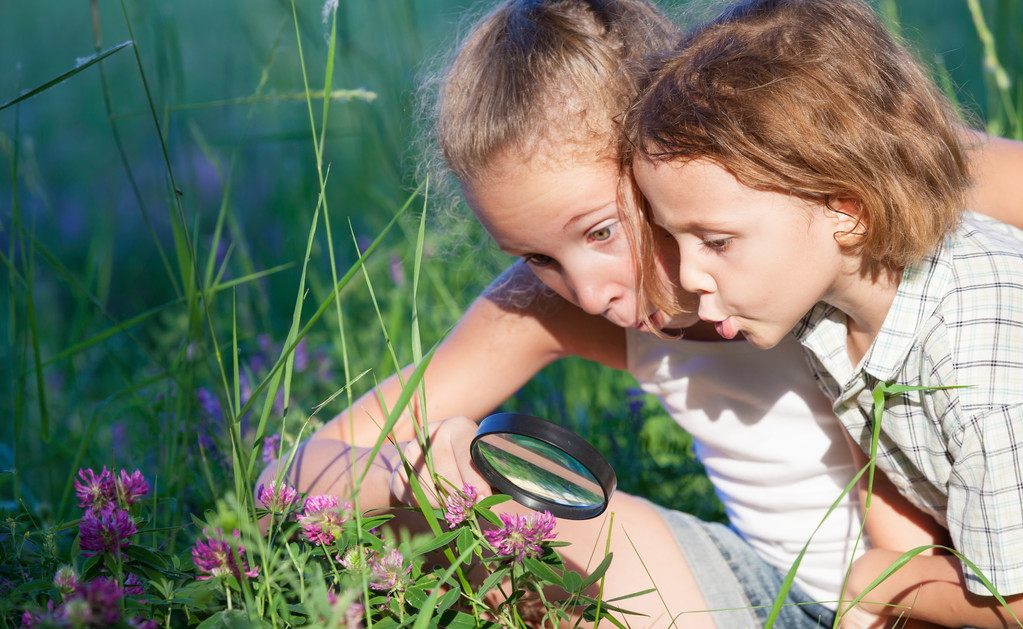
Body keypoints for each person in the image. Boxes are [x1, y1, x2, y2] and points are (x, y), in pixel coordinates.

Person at [259, 0, 1023, 626]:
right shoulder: (553, 309)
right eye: (536, 256)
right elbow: (288, 483)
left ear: (664, 150)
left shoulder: (819, 182)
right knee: (491, 517)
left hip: (960, 588)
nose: (588, 293)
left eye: (601, 230)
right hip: (768, 591)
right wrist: (416, 469)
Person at [624, 0, 1023, 626]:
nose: (689, 274)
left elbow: (1017, 604)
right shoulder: (833, 308)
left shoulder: (978, 362)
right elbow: (889, 464)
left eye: (717, 241)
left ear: (847, 211)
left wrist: (884, 585)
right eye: (676, 240)